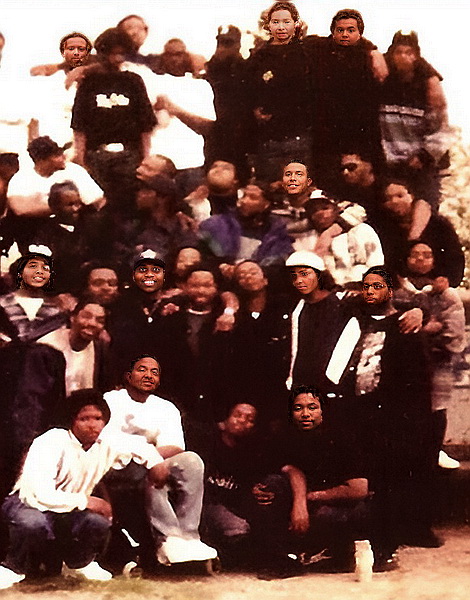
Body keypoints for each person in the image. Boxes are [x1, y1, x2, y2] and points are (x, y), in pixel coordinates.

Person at [0, 388, 166, 588]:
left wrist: (157, 464)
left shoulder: (108, 441)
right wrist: (87, 501)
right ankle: (14, 567)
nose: (92, 425)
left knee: (97, 522)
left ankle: (79, 563)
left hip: (71, 509)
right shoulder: (52, 440)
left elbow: (140, 446)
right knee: (33, 523)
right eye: (84, 419)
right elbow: (39, 493)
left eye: (98, 418)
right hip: (28, 504)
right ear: (72, 420)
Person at [324, 266, 436, 550]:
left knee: (392, 477)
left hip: (391, 417)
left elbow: (419, 381)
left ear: (390, 290)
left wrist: (418, 311)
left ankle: (392, 538)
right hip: (354, 412)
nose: (371, 292)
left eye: (378, 286)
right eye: (367, 286)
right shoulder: (353, 319)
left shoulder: (406, 326)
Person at [104, 355, 217, 566]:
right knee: (151, 472)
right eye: (142, 370)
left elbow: (175, 446)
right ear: (128, 376)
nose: (149, 375)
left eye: (154, 372)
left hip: (156, 461)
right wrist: (150, 459)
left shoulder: (166, 408)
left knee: (192, 461)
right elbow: (110, 441)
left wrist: (152, 459)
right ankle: (168, 538)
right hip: (117, 464)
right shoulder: (111, 401)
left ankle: (188, 536)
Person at [268, 385, 371, 571]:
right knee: (273, 485)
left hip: (334, 505)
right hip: (302, 505)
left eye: (312, 407)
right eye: (298, 408)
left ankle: (338, 554)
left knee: (343, 514)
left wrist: (311, 498)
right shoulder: (287, 435)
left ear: (323, 410)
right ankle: (284, 557)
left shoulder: (342, 438)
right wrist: (300, 504)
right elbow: (292, 470)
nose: (305, 414)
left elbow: (358, 489)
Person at [71, 28, 157, 215]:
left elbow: (145, 123)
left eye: (121, 53)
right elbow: (79, 124)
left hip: (129, 155)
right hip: (97, 155)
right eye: (112, 53)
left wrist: (146, 158)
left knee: (128, 206)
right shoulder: (89, 83)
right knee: (100, 207)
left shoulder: (133, 81)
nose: (116, 58)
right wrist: (81, 158)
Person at [380, 31, 451, 208]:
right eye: (398, 52)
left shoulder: (428, 90)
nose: (403, 57)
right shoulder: (380, 84)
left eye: (409, 52)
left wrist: (423, 156)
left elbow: (442, 131)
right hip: (388, 164)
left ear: (417, 57)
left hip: (419, 164)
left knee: (424, 206)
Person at [243, 2, 311, 182]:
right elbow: (247, 92)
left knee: (299, 188)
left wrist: (372, 50)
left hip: (301, 137)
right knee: (271, 188)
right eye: (275, 22)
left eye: (286, 21)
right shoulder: (258, 57)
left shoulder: (309, 50)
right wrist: (254, 110)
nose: (281, 27)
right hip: (270, 140)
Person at [380, 178, 465, 286]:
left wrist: (448, 280)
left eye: (400, 196)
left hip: (437, 283)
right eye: (388, 198)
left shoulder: (439, 225)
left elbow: (455, 256)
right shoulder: (386, 227)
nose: (394, 201)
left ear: (411, 196)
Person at [293, 194, 384, 288]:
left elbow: (375, 263)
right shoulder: (306, 240)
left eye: (325, 208)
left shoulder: (361, 230)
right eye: (314, 211)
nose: (320, 213)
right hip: (329, 290)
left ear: (336, 209)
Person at [7, 136, 104, 221]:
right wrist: (63, 207)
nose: (64, 157)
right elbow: (20, 209)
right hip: (39, 227)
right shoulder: (22, 179)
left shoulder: (74, 170)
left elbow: (98, 201)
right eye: (57, 155)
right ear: (42, 160)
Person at [199, 182, 293, 268]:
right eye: (244, 196)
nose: (244, 201)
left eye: (252, 198)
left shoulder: (276, 230)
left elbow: (278, 258)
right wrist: (223, 264)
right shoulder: (219, 224)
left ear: (266, 204)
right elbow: (208, 250)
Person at [38, 300, 110, 395]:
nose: (92, 323)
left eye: (100, 321)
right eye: (86, 316)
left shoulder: (99, 349)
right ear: (72, 318)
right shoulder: (46, 347)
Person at [0, 246, 65, 344]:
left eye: (45, 268)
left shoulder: (58, 309)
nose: (39, 272)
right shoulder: (2, 303)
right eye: (33, 266)